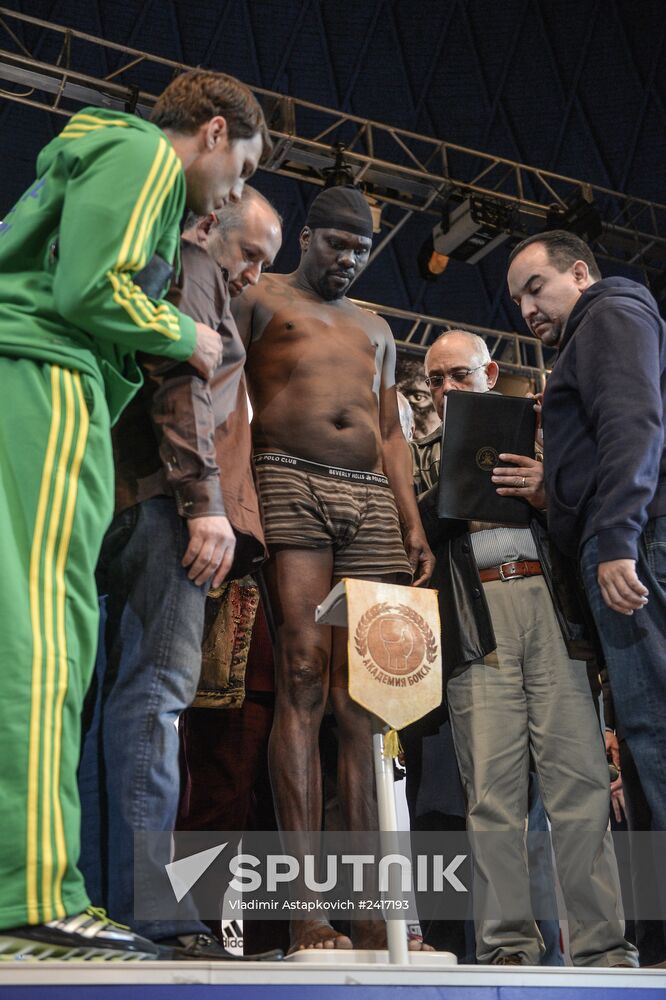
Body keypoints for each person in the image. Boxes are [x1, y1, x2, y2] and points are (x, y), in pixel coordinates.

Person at [0, 68, 270, 961]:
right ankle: (31, 898)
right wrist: (181, 333)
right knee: (45, 641)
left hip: (47, 383)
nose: (230, 194)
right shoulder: (145, 154)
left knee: (55, 644)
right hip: (46, 378)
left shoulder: (103, 158)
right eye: (240, 171)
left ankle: (46, 889)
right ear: (215, 132)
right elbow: (88, 291)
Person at [78, 188, 282, 960]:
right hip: (167, 510)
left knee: (108, 711)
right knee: (154, 709)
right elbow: (183, 391)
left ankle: (97, 901)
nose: (252, 276)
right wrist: (206, 506)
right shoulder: (196, 268)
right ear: (209, 227)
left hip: (120, 502)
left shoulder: (159, 272)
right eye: (249, 255)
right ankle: (153, 916)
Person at [233, 185, 434, 952]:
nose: (347, 260)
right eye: (336, 245)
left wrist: (411, 520)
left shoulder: (378, 328)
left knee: (369, 703)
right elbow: (228, 397)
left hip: (370, 500)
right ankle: (306, 910)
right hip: (289, 477)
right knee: (304, 681)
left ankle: (375, 911)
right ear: (307, 237)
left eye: (360, 251)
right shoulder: (261, 296)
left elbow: (389, 433)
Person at [412, 329, 637, 967]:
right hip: (473, 619)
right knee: (490, 793)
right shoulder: (416, 453)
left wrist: (548, 491)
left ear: (491, 373)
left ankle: (603, 947)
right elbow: (410, 535)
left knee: (582, 785)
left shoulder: (547, 436)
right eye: (436, 379)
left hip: (552, 613)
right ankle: (506, 945)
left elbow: (597, 517)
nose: (447, 388)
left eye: (460, 375)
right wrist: (453, 483)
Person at [507, 231, 666, 837]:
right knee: (641, 728)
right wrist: (558, 489)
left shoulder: (610, 313)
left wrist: (618, 534)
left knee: (653, 724)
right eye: (517, 300)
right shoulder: (596, 331)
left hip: (633, 541)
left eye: (535, 287)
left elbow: (635, 425)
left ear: (580, 272)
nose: (526, 311)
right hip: (625, 534)